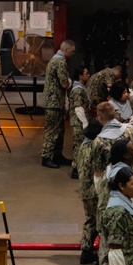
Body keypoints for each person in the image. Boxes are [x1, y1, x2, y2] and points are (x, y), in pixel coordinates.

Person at [40, 40, 75, 169]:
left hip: (54, 101)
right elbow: (65, 83)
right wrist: (71, 82)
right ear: (66, 50)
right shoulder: (60, 62)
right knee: (52, 131)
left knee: (59, 130)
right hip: (53, 103)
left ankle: (57, 155)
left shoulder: (54, 60)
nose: (73, 53)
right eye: (72, 51)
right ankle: (46, 157)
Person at [76, 120, 103, 265]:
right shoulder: (95, 148)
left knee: (90, 220)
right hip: (95, 190)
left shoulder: (82, 147)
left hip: (85, 190)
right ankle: (101, 258)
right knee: (100, 222)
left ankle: (86, 252)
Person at [68, 65, 92, 178]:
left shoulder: (81, 87)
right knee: (78, 145)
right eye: (86, 73)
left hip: (80, 121)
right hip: (78, 122)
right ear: (80, 76)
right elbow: (78, 108)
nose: (89, 75)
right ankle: (76, 170)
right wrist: (84, 122)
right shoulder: (78, 90)